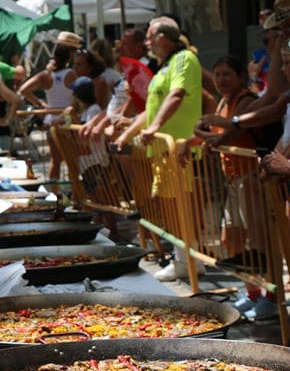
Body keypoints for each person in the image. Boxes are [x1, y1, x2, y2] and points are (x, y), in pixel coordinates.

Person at [115, 16, 204, 282]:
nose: (146, 43)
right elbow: (150, 109)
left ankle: (188, 261)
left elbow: (176, 96)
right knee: (170, 207)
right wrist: (128, 135)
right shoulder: (164, 66)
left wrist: (154, 128)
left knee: (181, 207)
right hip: (163, 151)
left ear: (163, 39)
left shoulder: (184, 60)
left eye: (149, 37)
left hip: (179, 151)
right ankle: (183, 259)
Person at [187, 56, 270, 319]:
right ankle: (253, 293)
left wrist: (202, 135)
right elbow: (217, 138)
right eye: (218, 74)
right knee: (230, 240)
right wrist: (198, 138)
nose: (222, 80)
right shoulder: (223, 101)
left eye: (227, 75)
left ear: (239, 77)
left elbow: (225, 137)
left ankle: (272, 299)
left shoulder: (247, 101)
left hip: (253, 179)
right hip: (235, 180)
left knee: (261, 245)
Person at [18, 44, 76, 178]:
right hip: (67, 118)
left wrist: (41, 104)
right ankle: (75, 193)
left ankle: (55, 195)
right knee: (71, 160)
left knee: (55, 161)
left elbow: (23, 90)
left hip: (50, 119)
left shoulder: (46, 75)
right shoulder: (71, 74)